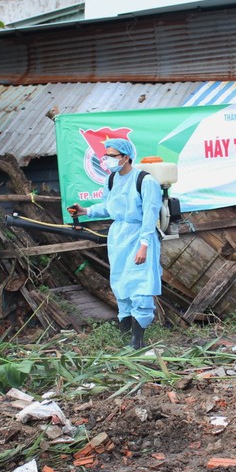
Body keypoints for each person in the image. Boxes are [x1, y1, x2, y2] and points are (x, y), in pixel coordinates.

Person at [68, 138, 163, 349]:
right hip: (118, 237)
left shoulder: (145, 181)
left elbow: (150, 215)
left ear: (126, 157)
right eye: (106, 155)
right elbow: (108, 206)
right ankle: (125, 338)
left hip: (139, 235)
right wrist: (85, 211)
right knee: (121, 285)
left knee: (140, 287)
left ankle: (137, 341)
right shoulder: (111, 179)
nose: (107, 160)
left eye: (112, 156)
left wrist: (144, 245)